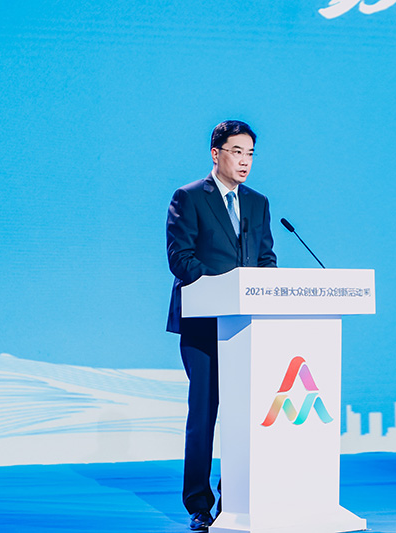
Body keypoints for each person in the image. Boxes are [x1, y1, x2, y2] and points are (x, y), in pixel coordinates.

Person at [166, 120, 277, 531]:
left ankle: (236, 497)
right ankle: (198, 503)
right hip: (203, 324)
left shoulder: (258, 203)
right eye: (237, 152)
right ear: (216, 154)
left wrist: (260, 289)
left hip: (246, 327)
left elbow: (266, 259)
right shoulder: (189, 197)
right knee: (204, 413)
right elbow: (181, 258)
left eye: (250, 154)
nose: (245, 161)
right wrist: (225, 288)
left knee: (244, 415)